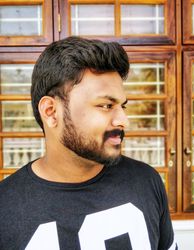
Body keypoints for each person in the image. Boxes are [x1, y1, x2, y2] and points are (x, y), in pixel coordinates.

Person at [0, 36, 177, 250]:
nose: (123, 120)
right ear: (51, 112)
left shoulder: (147, 181)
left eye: (123, 106)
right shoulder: (5, 208)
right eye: (105, 105)